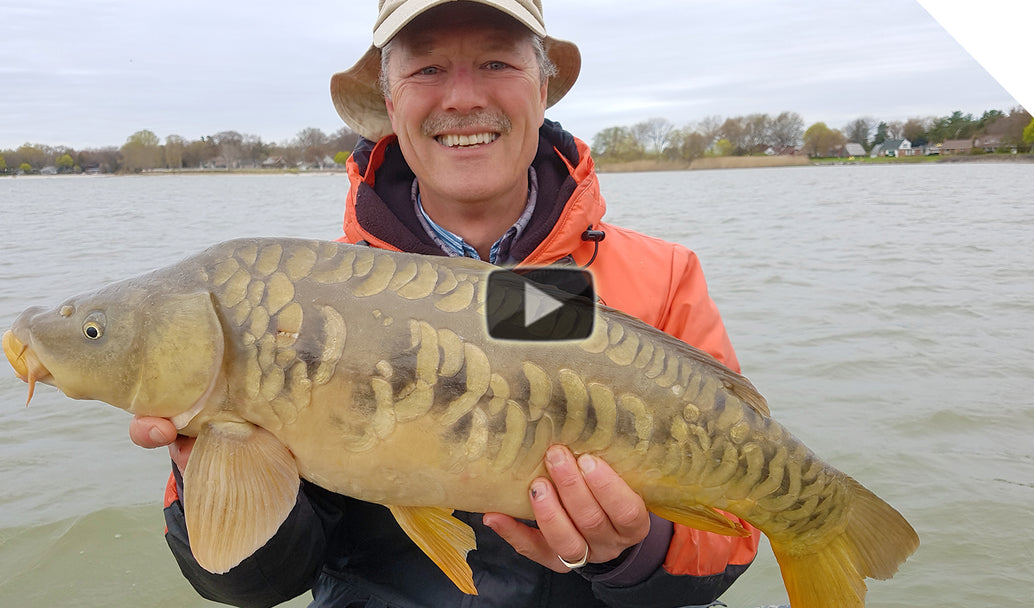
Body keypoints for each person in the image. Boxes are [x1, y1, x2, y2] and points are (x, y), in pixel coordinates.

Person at [130, 1, 761, 606]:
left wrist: (633, 553)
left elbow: (733, 531)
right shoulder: (286, 308)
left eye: (496, 63)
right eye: (427, 68)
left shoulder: (665, 276)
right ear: (389, 100)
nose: (463, 98)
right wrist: (213, 472)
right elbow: (251, 586)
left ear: (543, 88)